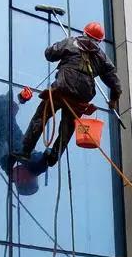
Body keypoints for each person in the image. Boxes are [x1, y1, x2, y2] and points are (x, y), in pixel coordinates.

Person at [15, 21, 122, 168]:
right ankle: (53, 157)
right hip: (80, 98)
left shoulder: (71, 42)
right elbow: (115, 83)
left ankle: (25, 151)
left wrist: (58, 48)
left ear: (84, 33)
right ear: (99, 41)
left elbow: (49, 54)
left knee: (41, 116)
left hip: (62, 90)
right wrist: (113, 101)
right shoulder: (102, 57)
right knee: (67, 129)